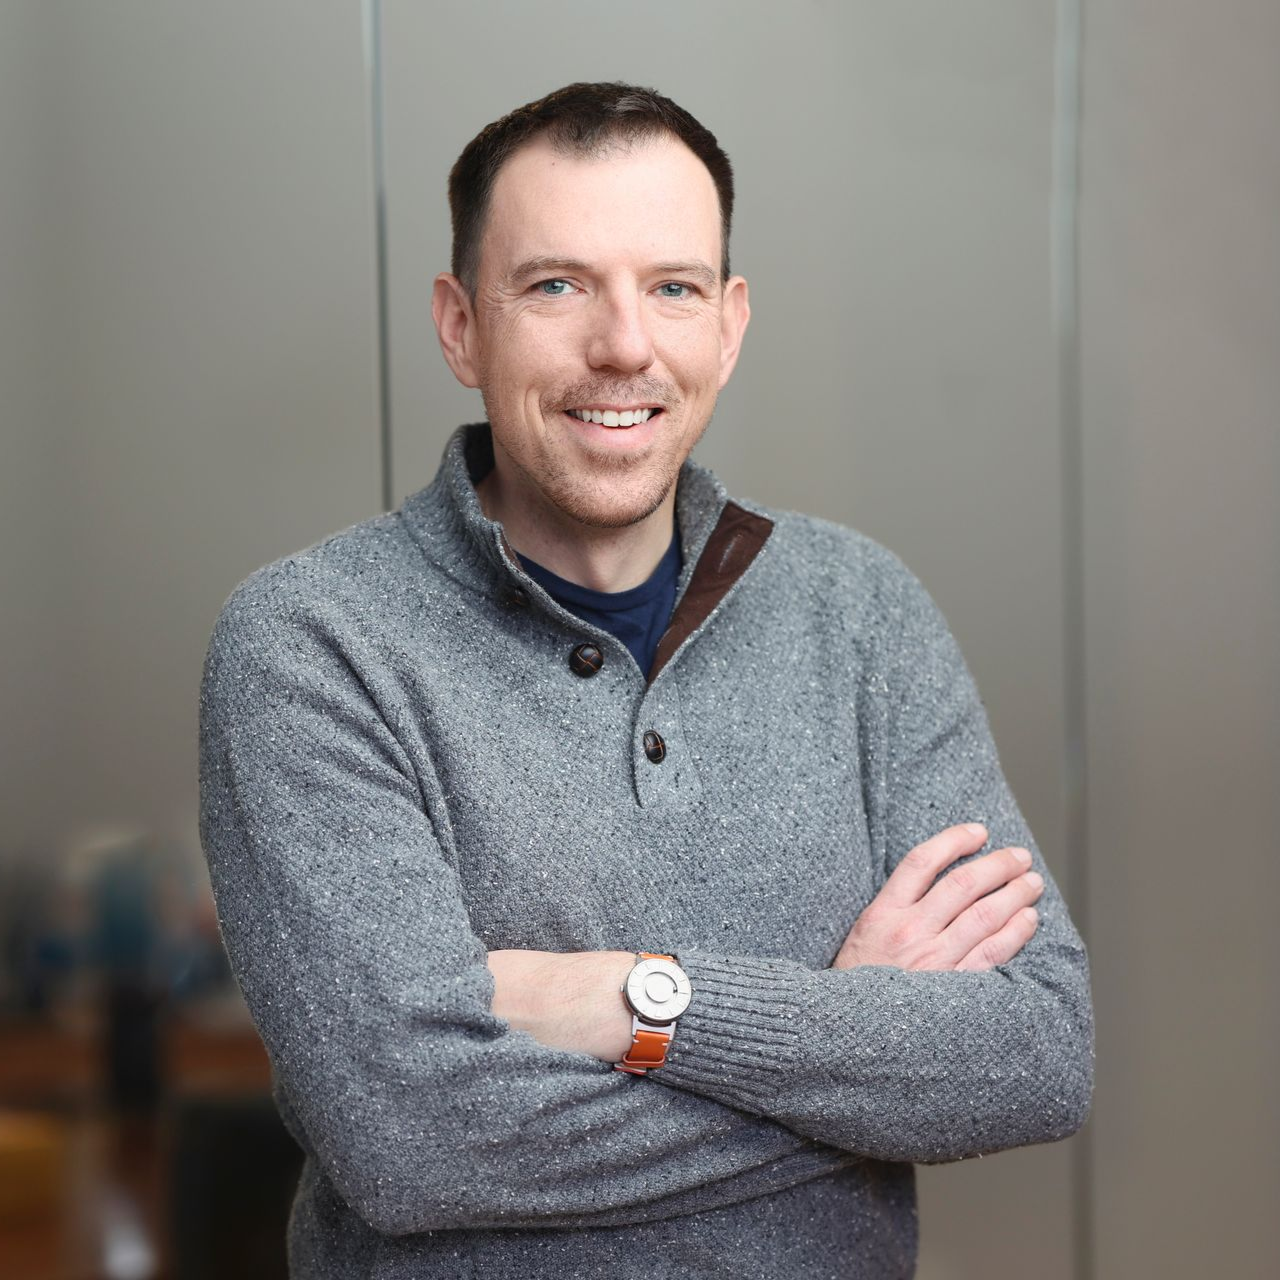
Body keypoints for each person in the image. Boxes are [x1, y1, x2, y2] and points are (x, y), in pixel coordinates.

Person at [198, 82, 1093, 1279]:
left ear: (726, 324)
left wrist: (635, 1000)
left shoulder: (860, 610)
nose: (623, 344)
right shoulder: (311, 644)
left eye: (670, 286)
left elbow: (1035, 1051)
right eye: (556, 284)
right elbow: (410, 1141)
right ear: (461, 325)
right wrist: (847, 1044)